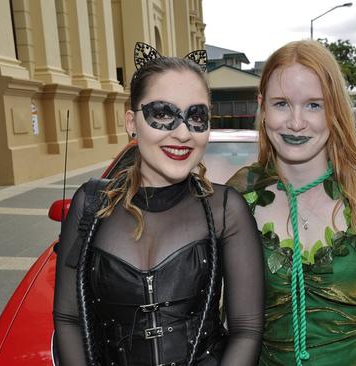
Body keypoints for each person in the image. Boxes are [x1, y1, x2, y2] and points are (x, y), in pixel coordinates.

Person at [53, 43, 264, 366]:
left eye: (197, 117)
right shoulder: (91, 205)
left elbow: (246, 330)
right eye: (163, 114)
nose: (182, 133)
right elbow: (69, 318)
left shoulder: (226, 210)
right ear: (131, 122)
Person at [228, 40, 356, 366]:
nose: (296, 122)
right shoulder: (237, 202)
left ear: (335, 109)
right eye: (282, 103)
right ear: (262, 107)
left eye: (314, 105)